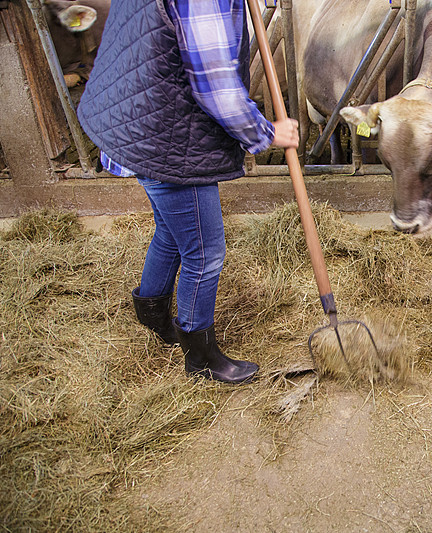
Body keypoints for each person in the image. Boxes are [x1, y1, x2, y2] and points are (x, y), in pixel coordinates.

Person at [77, 0, 299, 384]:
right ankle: (201, 358)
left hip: (132, 123)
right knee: (205, 252)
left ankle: (153, 316)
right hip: (168, 138)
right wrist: (266, 132)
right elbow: (217, 88)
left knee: (170, 231)